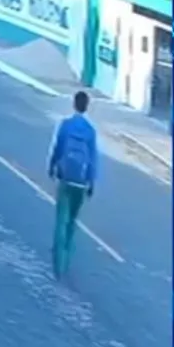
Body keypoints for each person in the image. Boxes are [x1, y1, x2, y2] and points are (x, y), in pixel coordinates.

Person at [48, 90, 98, 278]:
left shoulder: (66, 125)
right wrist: (91, 182)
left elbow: (58, 148)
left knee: (61, 218)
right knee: (72, 221)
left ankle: (57, 261)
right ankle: (67, 258)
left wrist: (52, 167)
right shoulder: (91, 131)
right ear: (87, 106)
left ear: (74, 104)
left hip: (65, 177)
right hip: (81, 182)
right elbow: (93, 159)